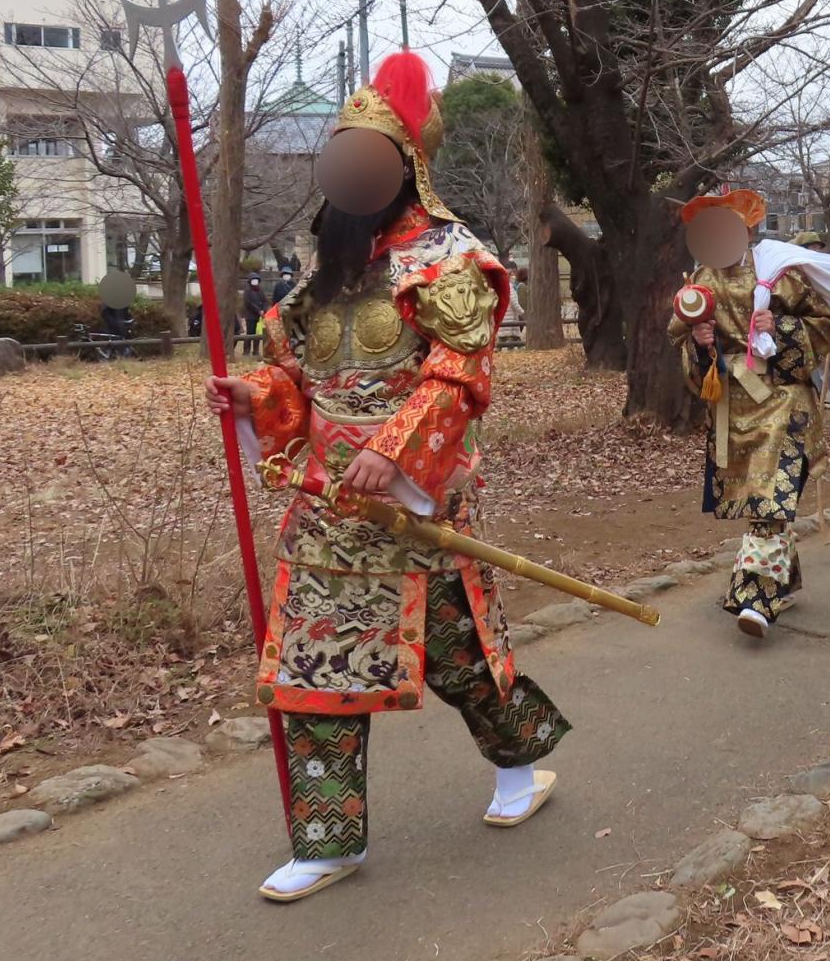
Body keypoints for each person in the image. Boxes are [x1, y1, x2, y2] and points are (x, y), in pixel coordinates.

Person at [202, 53, 568, 903]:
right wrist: (252, 396)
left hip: (414, 503)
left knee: (461, 659)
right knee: (311, 671)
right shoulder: (323, 270)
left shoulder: (449, 258)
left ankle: (520, 773)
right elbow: (293, 377)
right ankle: (327, 841)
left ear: (405, 171)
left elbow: (460, 374)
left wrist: (396, 452)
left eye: (368, 161)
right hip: (327, 508)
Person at [668, 190, 830, 637]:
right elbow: (681, 343)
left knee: (769, 499)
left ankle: (755, 599)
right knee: (765, 504)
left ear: (746, 229)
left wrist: (780, 328)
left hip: (783, 404)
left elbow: (824, 324)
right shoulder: (697, 282)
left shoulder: (778, 274)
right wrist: (700, 342)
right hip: (733, 406)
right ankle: (784, 579)